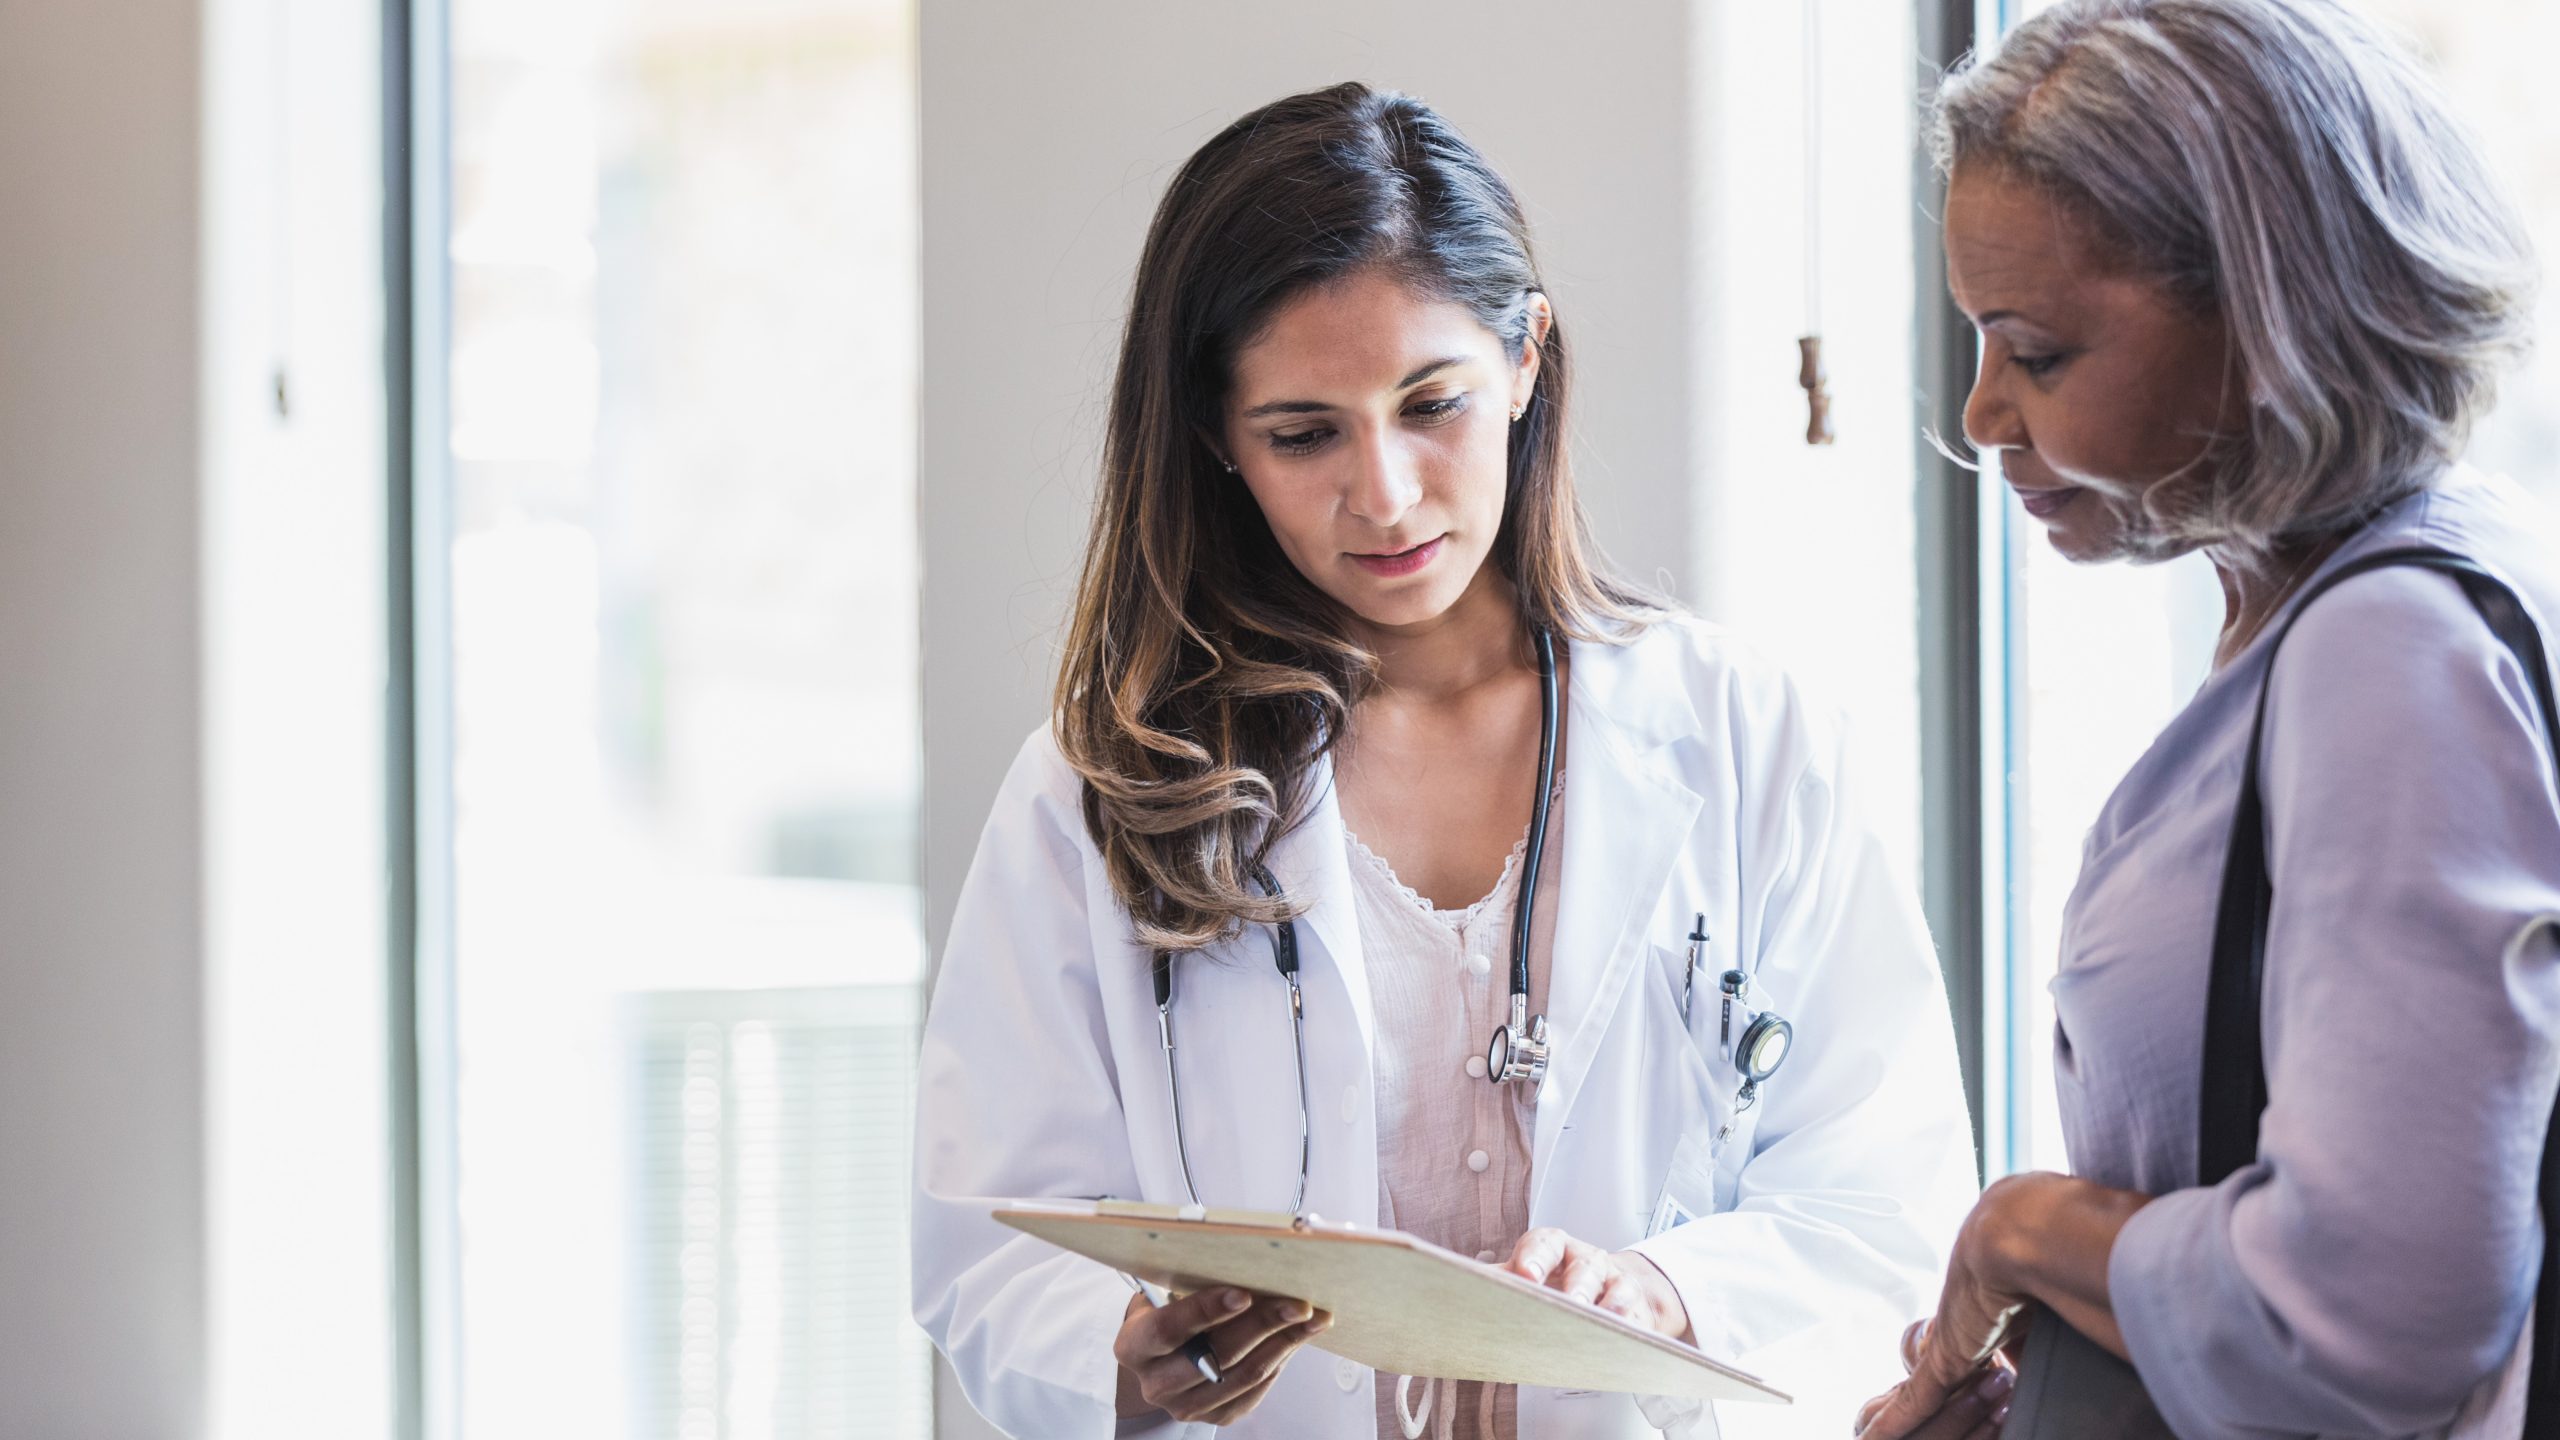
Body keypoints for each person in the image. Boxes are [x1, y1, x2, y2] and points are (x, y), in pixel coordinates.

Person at [909, 82, 1981, 1439]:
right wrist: (1125, 1351)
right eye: (1304, 434)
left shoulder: (1742, 739)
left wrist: (1664, 1289)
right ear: (1214, 440)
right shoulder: (1102, 783)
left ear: (1528, 358)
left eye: (1434, 403)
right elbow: (986, 1239)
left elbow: (1887, 1192)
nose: (1388, 492)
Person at [1859, 2, 2560, 1436]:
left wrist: (2024, 1236)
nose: (1986, 412)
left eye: (2037, 354)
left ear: (2268, 319)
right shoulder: (2353, 601)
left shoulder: (2391, 652)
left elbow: (2367, 1318)